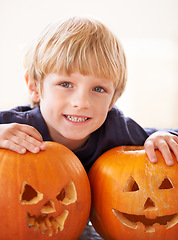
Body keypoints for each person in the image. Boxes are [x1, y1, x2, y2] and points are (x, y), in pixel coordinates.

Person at [0, 16, 177, 173]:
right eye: (66, 84)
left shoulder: (116, 130)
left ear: (112, 100)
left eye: (98, 89)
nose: (81, 102)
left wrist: (162, 136)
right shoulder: (14, 128)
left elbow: (170, 136)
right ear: (35, 87)